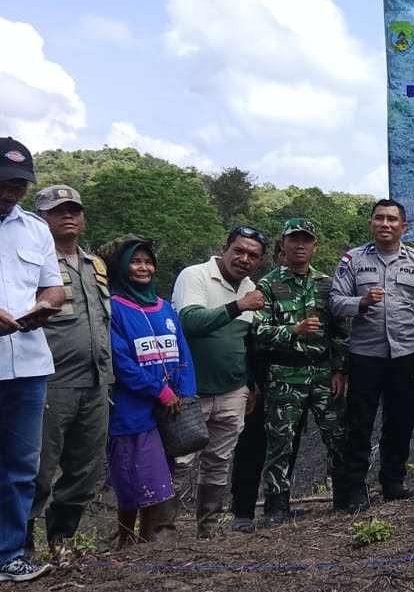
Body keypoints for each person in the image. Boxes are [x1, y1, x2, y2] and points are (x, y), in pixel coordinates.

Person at [330, 199, 414, 509]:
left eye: (392, 219)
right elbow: (335, 303)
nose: (385, 224)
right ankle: (355, 488)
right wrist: (361, 302)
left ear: (403, 226)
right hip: (365, 354)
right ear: (370, 224)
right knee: (359, 422)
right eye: (379, 218)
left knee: (401, 419)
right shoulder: (352, 260)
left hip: (406, 354)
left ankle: (393, 481)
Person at [165, 226, 267, 539]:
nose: (244, 259)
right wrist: (238, 306)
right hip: (189, 391)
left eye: (253, 255)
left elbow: (246, 342)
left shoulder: (251, 287)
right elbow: (189, 322)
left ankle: (208, 529)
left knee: (219, 460)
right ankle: (162, 530)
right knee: (179, 461)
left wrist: (250, 384)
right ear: (225, 248)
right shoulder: (195, 276)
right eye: (239, 250)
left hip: (233, 389)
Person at [27, 186, 112, 556]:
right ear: (39, 219)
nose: (68, 216)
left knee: (86, 470)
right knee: (37, 471)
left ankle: (63, 541)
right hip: (51, 381)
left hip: (95, 382)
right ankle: (19, 547)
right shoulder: (33, 265)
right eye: (57, 211)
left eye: (74, 210)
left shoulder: (95, 265)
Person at [100, 235, 195, 548]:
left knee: (160, 475)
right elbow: (121, 363)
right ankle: (126, 540)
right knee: (131, 475)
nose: (143, 267)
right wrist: (158, 391)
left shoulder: (165, 307)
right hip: (133, 409)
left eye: (147, 261)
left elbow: (182, 354)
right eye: (135, 261)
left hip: (170, 409)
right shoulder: (115, 309)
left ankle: (148, 538)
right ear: (123, 267)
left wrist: (183, 392)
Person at [252, 218, 348, 527]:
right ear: (283, 244)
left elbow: (339, 331)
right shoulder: (268, 284)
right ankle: (277, 505)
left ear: (315, 246)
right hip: (285, 373)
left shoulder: (324, 283)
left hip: (322, 372)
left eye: (306, 240)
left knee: (337, 435)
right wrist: (292, 330)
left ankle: (345, 497)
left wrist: (339, 369)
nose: (300, 245)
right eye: (294, 239)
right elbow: (258, 329)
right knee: (281, 441)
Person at [0, 138, 64, 582]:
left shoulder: (35, 229)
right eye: (4, 183)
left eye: (19, 186)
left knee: (22, 466)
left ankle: (10, 555)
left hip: (27, 361)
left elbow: (53, 286)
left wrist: (46, 304)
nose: (10, 193)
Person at [229, 237, 306, 530]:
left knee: (288, 443)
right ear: (277, 257)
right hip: (260, 378)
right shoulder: (258, 292)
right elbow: (248, 339)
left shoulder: (308, 289)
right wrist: (249, 381)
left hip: (295, 381)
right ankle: (243, 510)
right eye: (282, 256)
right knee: (252, 444)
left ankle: (279, 501)